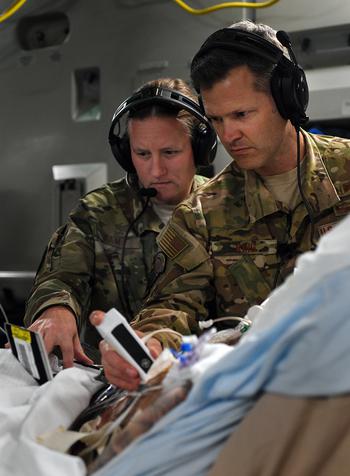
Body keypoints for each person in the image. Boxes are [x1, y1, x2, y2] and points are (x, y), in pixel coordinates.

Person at [95, 20, 350, 390]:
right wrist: (147, 342)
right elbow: (173, 305)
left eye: (242, 115)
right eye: (216, 120)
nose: (229, 135)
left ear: (286, 99)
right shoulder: (201, 214)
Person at [23, 77, 217, 367]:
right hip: (106, 379)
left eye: (170, 152)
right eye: (142, 154)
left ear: (199, 149)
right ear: (127, 154)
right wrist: (55, 308)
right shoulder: (97, 213)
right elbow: (62, 277)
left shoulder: (224, 209)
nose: (156, 169)